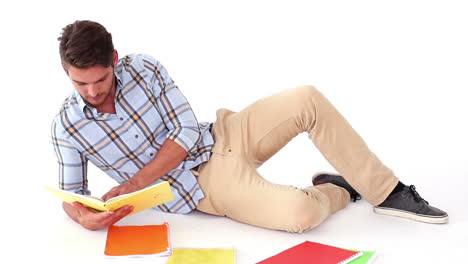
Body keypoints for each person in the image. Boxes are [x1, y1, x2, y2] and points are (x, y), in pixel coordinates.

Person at [51, 20, 448, 232]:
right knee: (300, 214)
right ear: (66, 72)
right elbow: (72, 194)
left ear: (114, 59)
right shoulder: (66, 127)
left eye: (99, 80)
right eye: (79, 82)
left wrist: (136, 183)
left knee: (306, 97)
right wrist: (83, 217)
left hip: (224, 134)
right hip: (203, 187)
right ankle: (336, 189)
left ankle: (387, 191)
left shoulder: (145, 66)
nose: (92, 91)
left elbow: (187, 132)